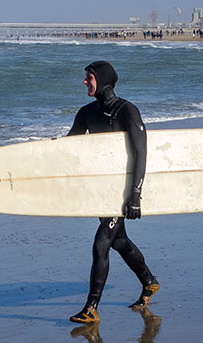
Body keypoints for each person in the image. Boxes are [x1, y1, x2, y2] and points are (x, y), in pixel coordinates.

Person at [67, 61, 159, 324]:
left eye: (89, 77)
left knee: (101, 243)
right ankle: (149, 282)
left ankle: (91, 308)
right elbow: (69, 147)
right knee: (119, 241)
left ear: (103, 80)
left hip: (124, 190)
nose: (85, 82)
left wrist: (135, 195)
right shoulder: (86, 113)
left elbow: (141, 153)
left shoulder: (127, 111)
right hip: (102, 190)